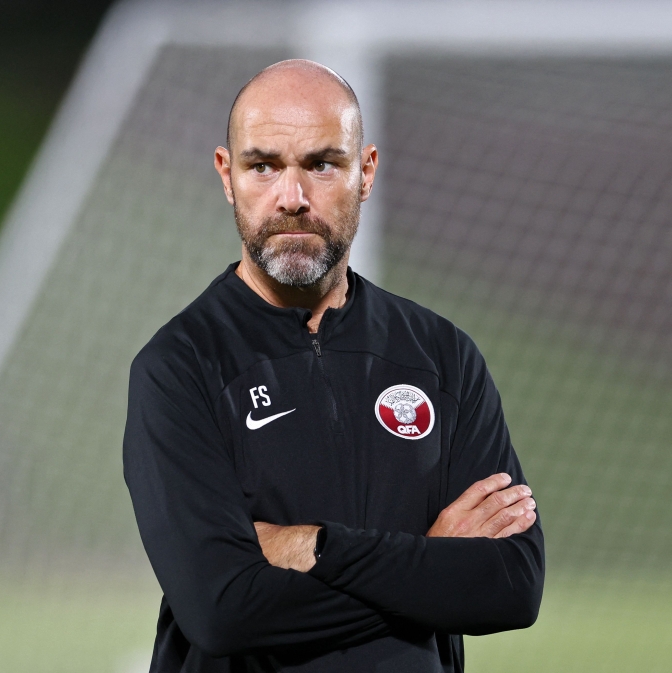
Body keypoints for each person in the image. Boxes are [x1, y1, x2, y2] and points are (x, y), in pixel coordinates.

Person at [123, 59, 544, 673]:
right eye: (263, 165)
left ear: (365, 171)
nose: (291, 198)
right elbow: (221, 609)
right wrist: (430, 563)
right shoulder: (180, 366)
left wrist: (312, 544)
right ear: (226, 173)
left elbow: (511, 582)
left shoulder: (442, 355)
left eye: (322, 164)